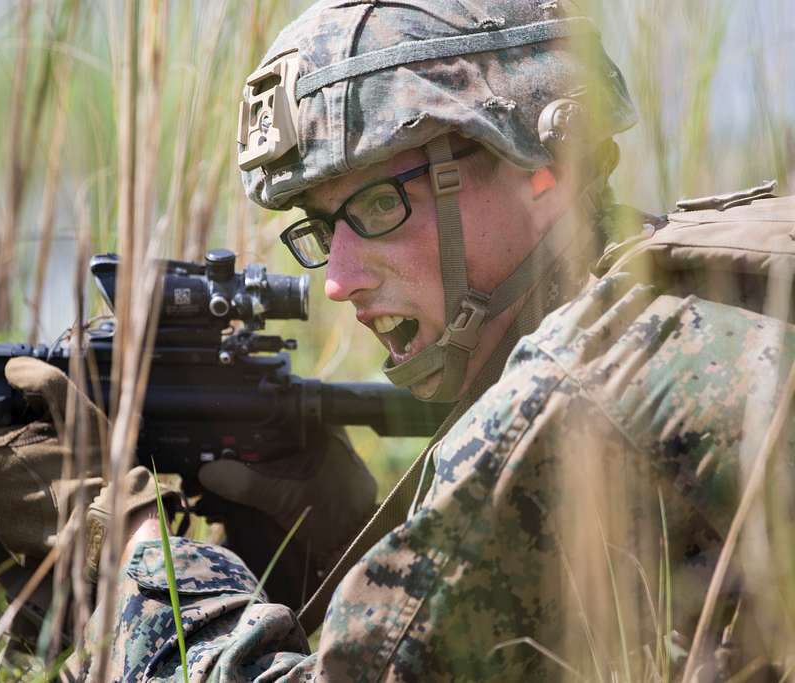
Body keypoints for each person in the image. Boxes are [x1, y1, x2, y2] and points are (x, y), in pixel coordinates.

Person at [56, 0, 795, 680]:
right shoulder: (713, 283)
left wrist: (135, 551)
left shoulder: (581, 382)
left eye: (380, 202)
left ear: (547, 172)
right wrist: (340, 533)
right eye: (320, 229)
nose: (338, 280)